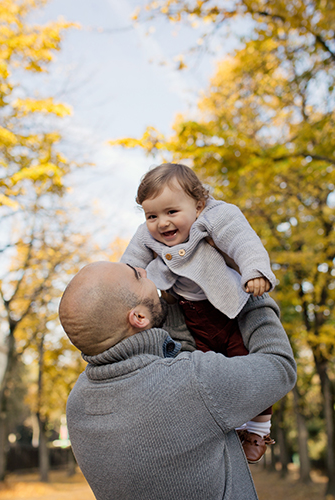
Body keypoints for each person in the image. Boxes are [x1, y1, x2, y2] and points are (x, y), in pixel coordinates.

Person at [61, 261, 296, 500]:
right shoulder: (191, 382)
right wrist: (247, 285)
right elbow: (279, 366)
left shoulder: (77, 405)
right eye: (137, 276)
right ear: (139, 317)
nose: (144, 269)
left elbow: (171, 354)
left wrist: (173, 299)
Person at [120, 163, 278, 462]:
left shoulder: (218, 217)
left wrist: (254, 270)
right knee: (202, 371)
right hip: (190, 316)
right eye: (151, 215)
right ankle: (223, 429)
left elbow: (243, 241)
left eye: (171, 212)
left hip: (230, 309)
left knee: (250, 363)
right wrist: (120, 295)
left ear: (198, 205)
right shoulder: (146, 235)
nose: (161, 223)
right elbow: (129, 266)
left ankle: (259, 428)